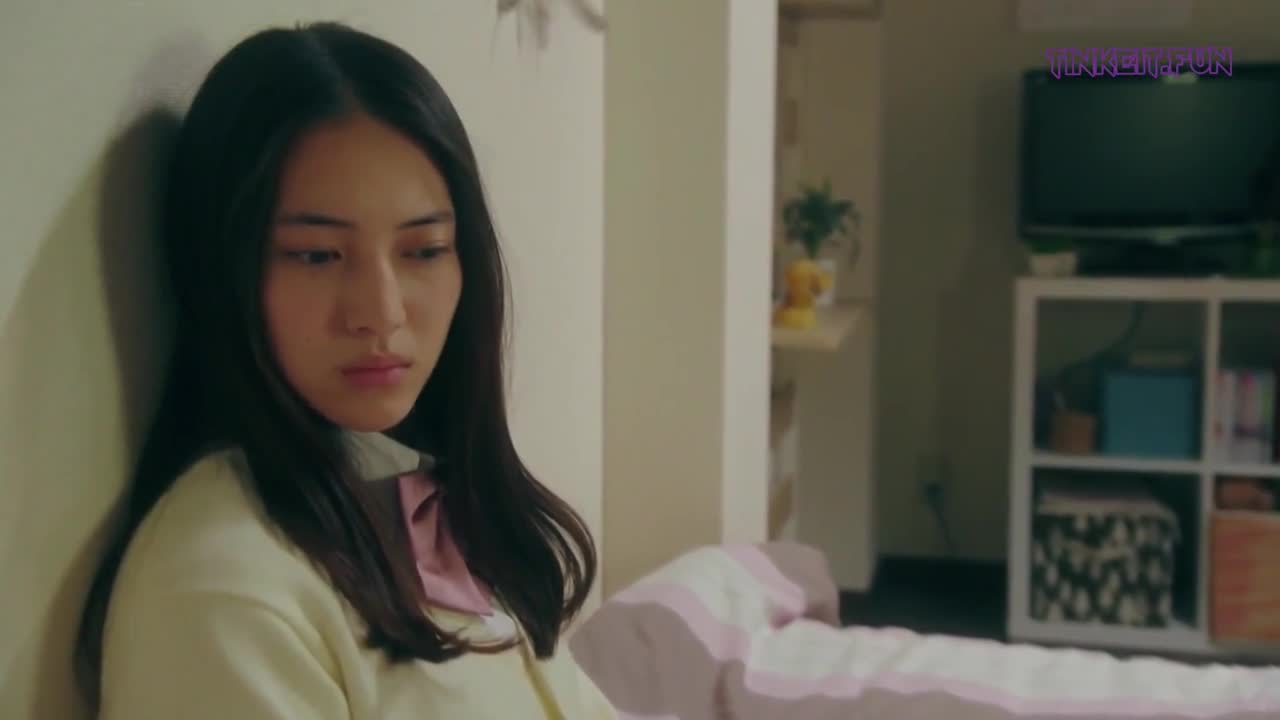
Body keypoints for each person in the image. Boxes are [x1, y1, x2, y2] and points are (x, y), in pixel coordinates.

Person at [76, 21, 615, 719]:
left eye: (424, 250)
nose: (382, 314)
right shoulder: (222, 591)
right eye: (317, 255)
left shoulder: (408, 486)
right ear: (222, 271)